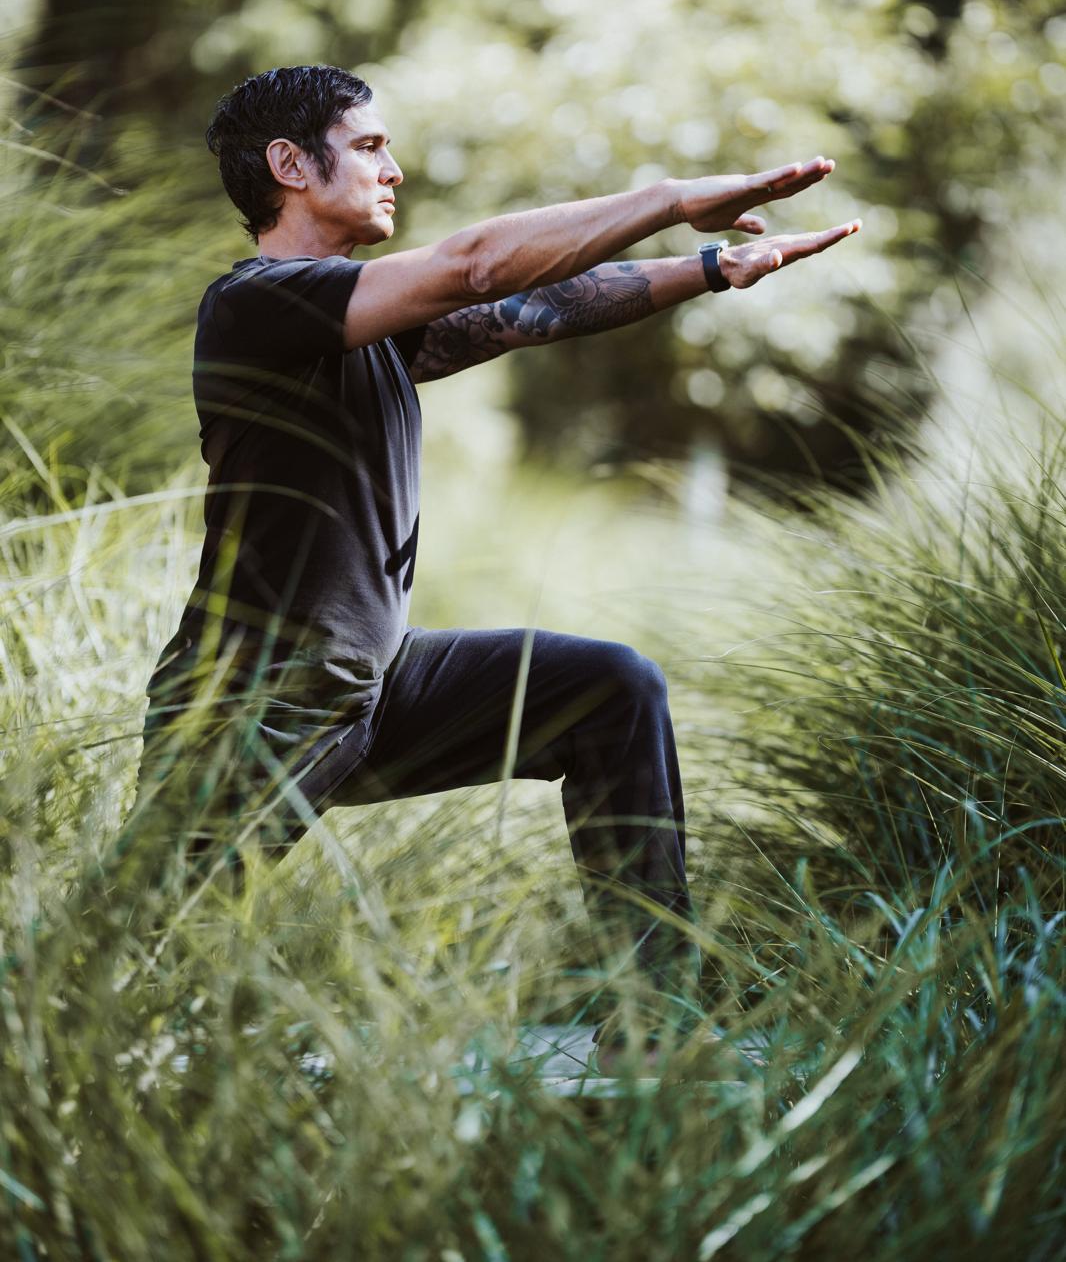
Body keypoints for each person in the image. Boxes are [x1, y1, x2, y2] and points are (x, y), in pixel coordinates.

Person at [135, 63, 860, 1069]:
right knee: (125, 974)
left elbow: (536, 307)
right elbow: (480, 265)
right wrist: (669, 199)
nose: (395, 167)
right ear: (289, 165)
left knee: (609, 691)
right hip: (251, 700)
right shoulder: (256, 307)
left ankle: (651, 1025)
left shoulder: (369, 326)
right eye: (371, 146)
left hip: (370, 686)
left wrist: (704, 269)